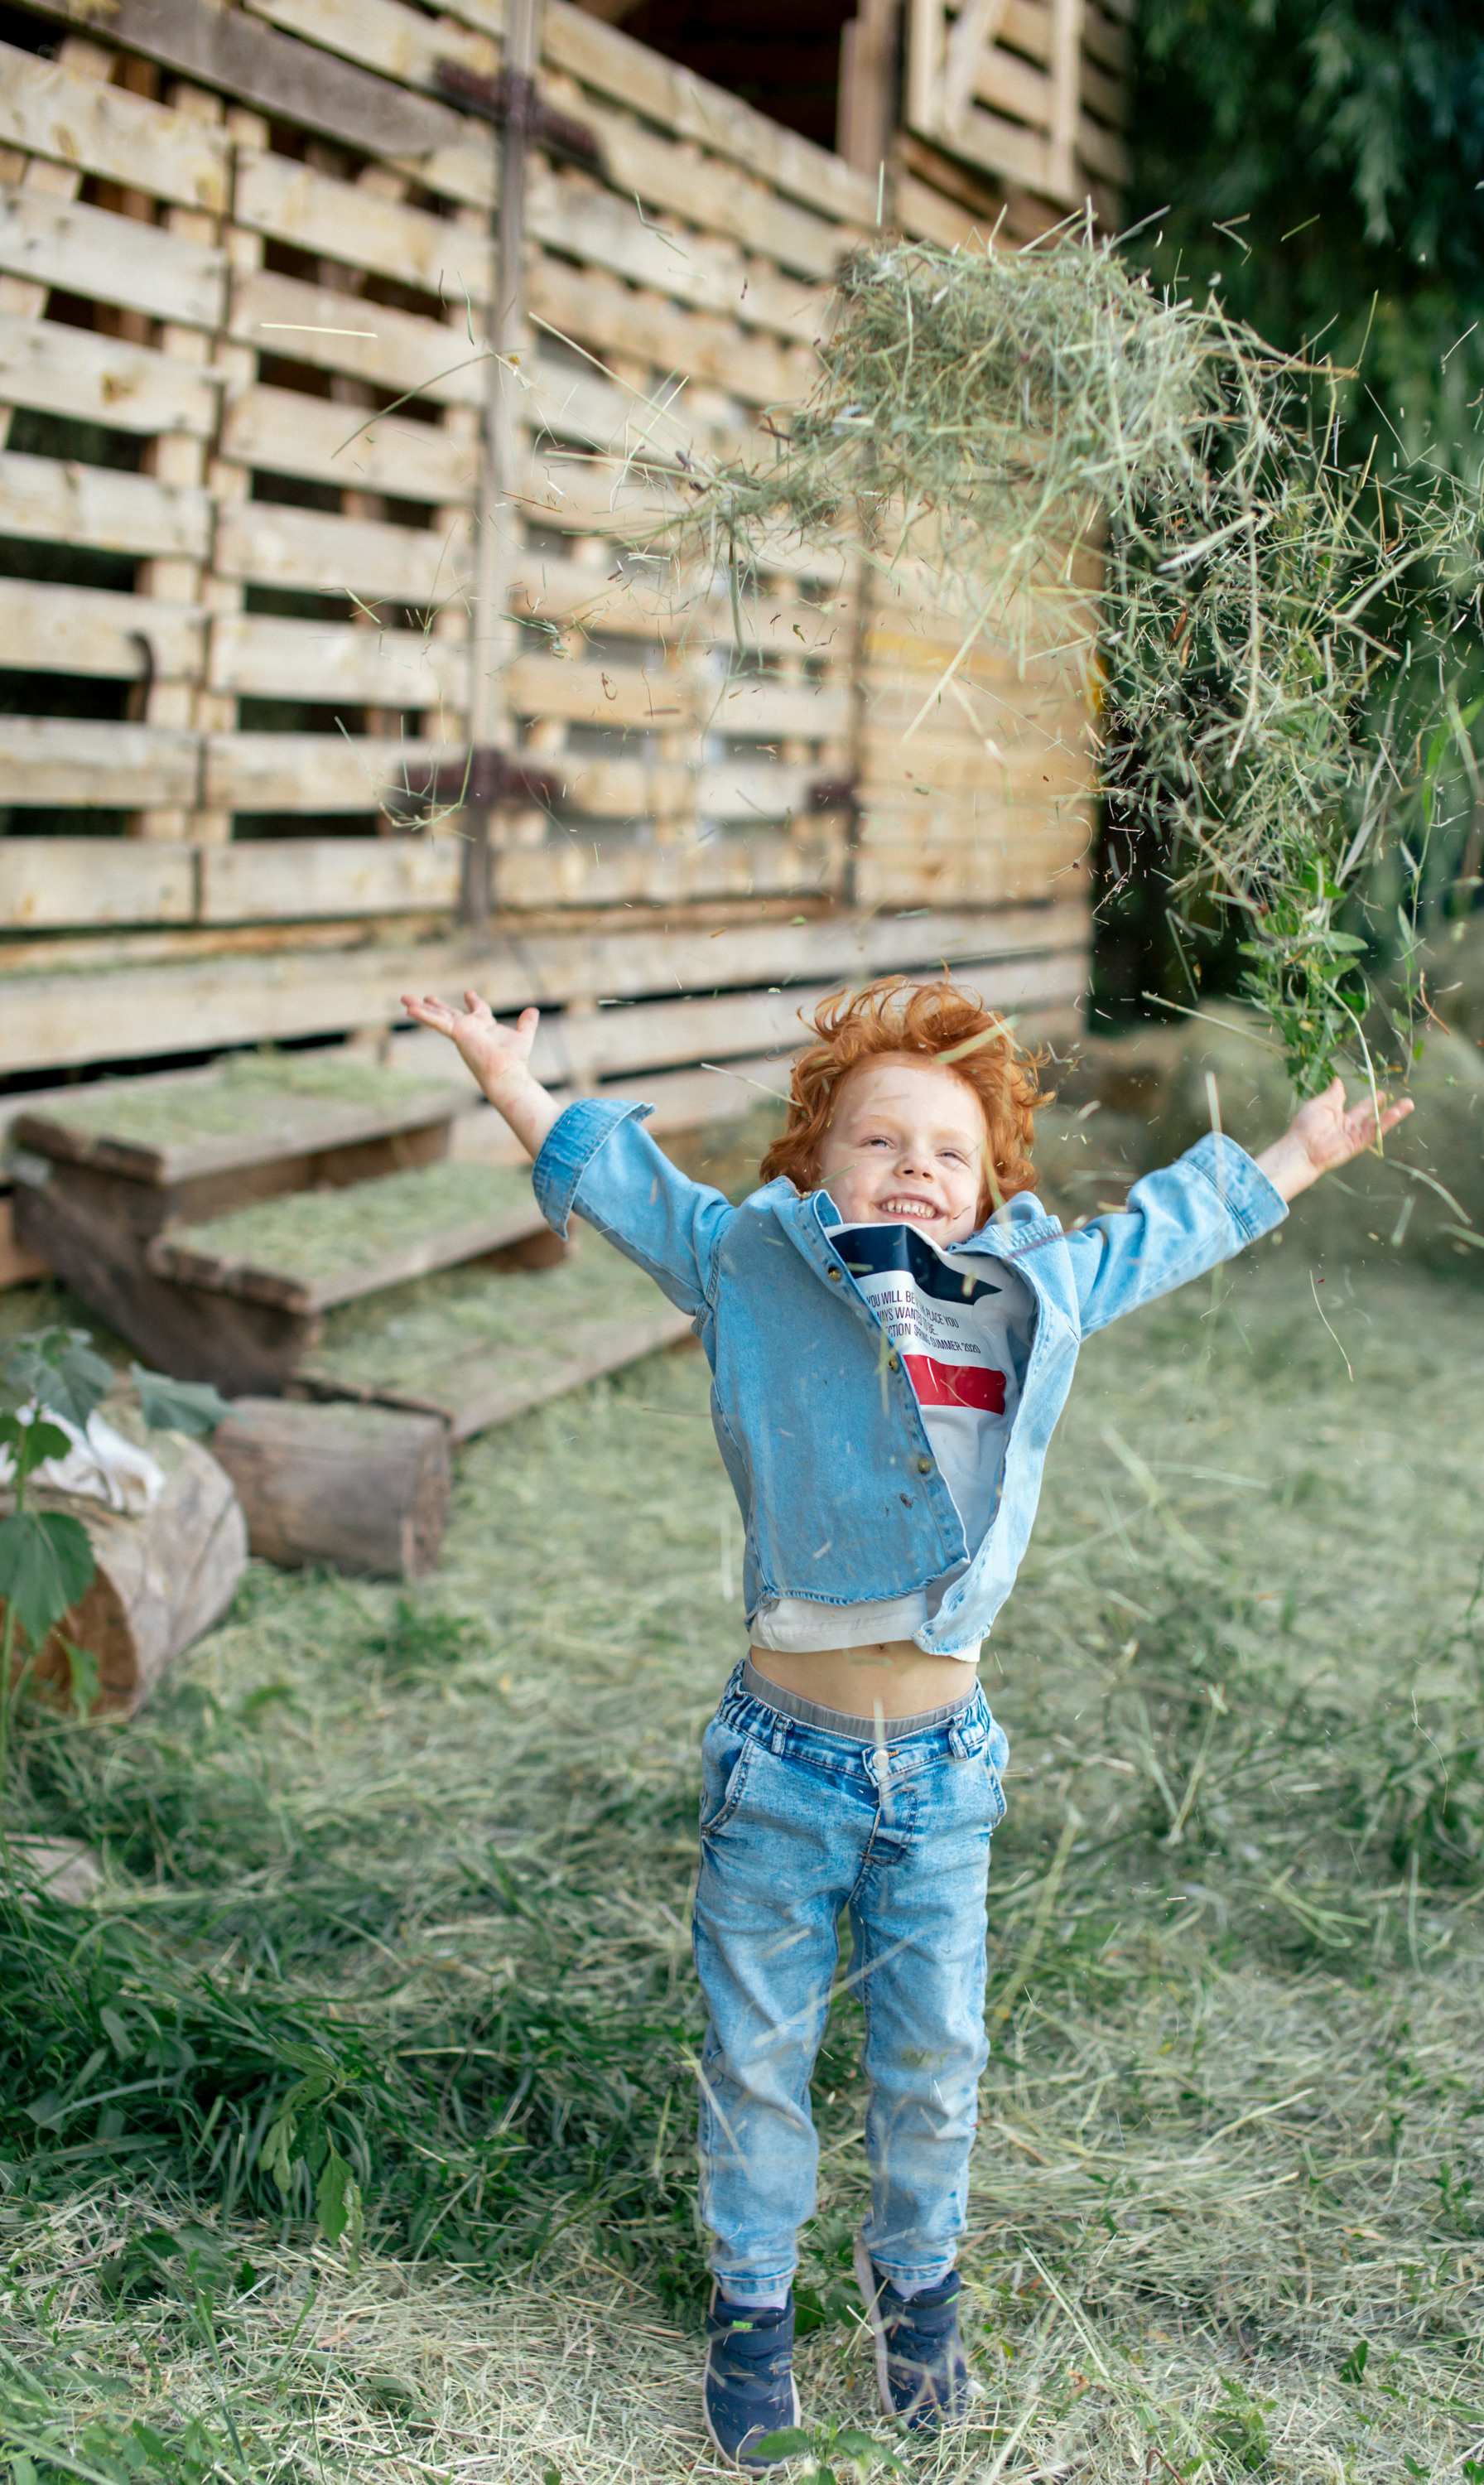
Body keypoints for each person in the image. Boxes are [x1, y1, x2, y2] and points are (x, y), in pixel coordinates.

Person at [401, 973, 1409, 2469]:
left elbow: (1157, 1236)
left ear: (992, 1182)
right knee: (758, 2055)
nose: (914, 1168)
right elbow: (627, 1186)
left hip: (944, 1772)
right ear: (815, 1163)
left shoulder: (1033, 1287)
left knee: (934, 2059)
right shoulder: (752, 1262)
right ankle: (752, 2307)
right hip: (778, 1763)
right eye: (879, 1141)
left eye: (947, 1149)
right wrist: (505, 1075)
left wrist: (1300, 1155)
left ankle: (915, 2283)